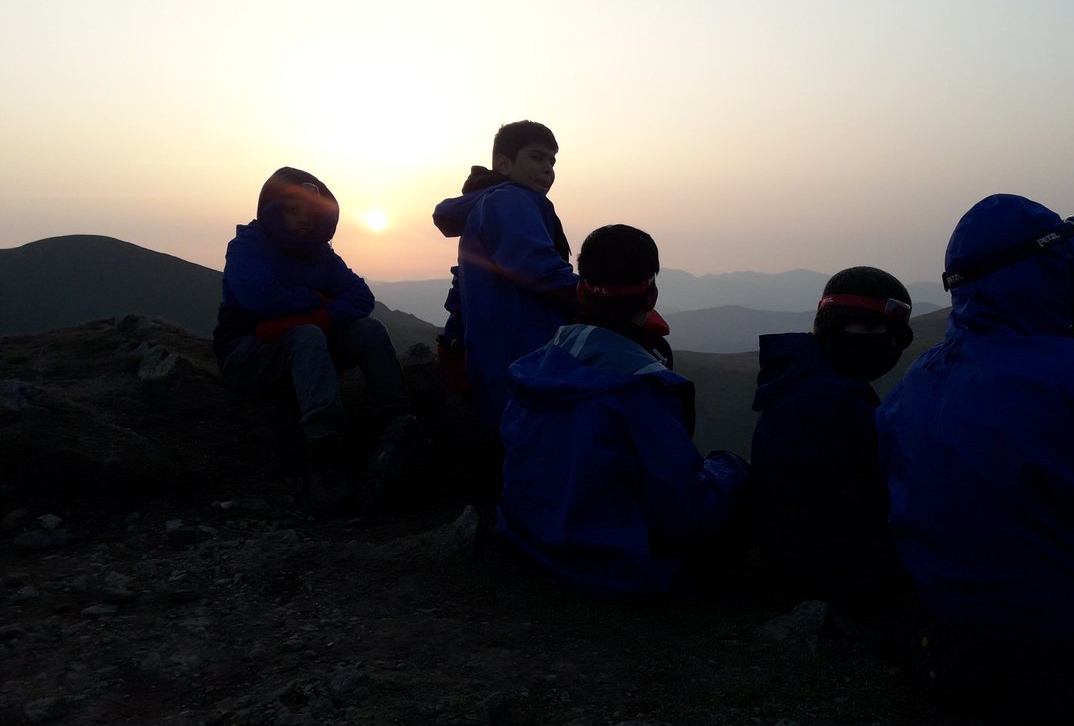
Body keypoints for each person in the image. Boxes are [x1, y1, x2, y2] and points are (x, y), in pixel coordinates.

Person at [877, 193, 1074, 710]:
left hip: (957, 638)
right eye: (1066, 265)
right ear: (1042, 274)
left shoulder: (920, 377)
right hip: (1073, 646)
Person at [496, 224, 750, 597]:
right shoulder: (642, 386)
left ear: (582, 290)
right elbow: (686, 509)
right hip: (602, 564)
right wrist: (731, 468)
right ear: (652, 296)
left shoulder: (531, 368)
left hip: (526, 536)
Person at [213, 166, 421, 512]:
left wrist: (321, 314)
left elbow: (361, 296)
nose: (304, 219)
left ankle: (401, 425)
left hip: (303, 350)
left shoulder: (319, 253)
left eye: (312, 211)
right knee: (308, 335)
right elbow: (260, 299)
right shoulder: (247, 246)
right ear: (271, 208)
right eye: (294, 209)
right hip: (246, 354)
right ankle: (324, 456)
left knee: (368, 330)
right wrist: (318, 302)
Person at [750, 267, 914, 616]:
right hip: (832, 580)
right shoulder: (832, 400)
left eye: (895, 334)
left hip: (800, 568)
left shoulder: (802, 381)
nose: (885, 341)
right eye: (869, 327)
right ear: (833, 328)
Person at [432, 120, 578, 431]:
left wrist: (455, 344)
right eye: (537, 157)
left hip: (496, 358)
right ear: (504, 164)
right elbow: (538, 269)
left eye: (552, 161)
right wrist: (598, 300)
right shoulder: (511, 200)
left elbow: (464, 287)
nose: (548, 169)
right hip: (526, 354)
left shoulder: (488, 206)